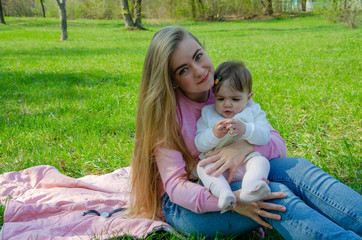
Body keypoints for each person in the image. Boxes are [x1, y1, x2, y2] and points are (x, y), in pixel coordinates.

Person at [129, 26, 362, 239]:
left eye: (198, 56)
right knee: (272, 193)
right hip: (189, 204)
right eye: (184, 70)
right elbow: (177, 188)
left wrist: (244, 146)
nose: (200, 71)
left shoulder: (225, 91)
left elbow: (277, 143)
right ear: (173, 80)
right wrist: (234, 201)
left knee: (297, 167)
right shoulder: (167, 117)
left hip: (239, 171)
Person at [194, 61, 271, 212]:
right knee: (202, 167)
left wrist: (246, 130)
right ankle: (224, 194)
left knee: (260, 161)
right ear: (214, 95)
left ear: (249, 97)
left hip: (246, 161)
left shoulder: (253, 111)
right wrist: (214, 134)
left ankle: (251, 188)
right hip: (218, 167)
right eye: (221, 99)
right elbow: (199, 144)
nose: (227, 104)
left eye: (235, 99)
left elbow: (265, 136)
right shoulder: (208, 113)